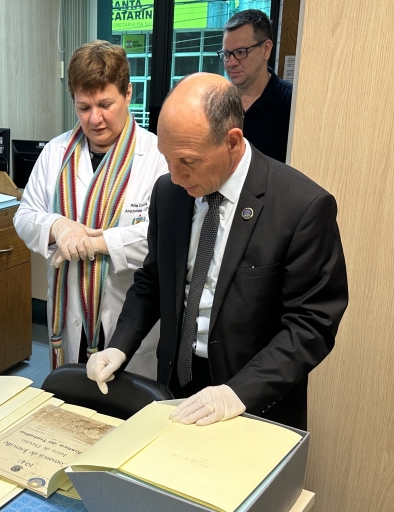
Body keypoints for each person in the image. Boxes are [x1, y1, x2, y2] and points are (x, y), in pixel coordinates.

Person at [86, 73, 348, 431]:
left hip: (251, 396)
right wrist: (119, 345)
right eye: (167, 159)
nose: (175, 176)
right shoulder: (169, 193)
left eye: (188, 161)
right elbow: (153, 280)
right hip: (175, 380)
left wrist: (236, 393)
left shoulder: (301, 207)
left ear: (232, 141)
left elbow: (312, 324)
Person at [14, 40, 168, 377]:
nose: (95, 118)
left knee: (127, 412)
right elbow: (24, 216)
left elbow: (165, 238)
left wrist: (97, 243)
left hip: (126, 313)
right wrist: (58, 226)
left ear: (128, 93)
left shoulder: (157, 156)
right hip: (70, 310)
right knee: (75, 404)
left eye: (105, 104)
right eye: (84, 107)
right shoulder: (57, 152)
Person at [219, 9, 292, 162]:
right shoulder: (217, 101)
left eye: (241, 52)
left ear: (266, 49)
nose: (231, 63)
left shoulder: (291, 104)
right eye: (226, 54)